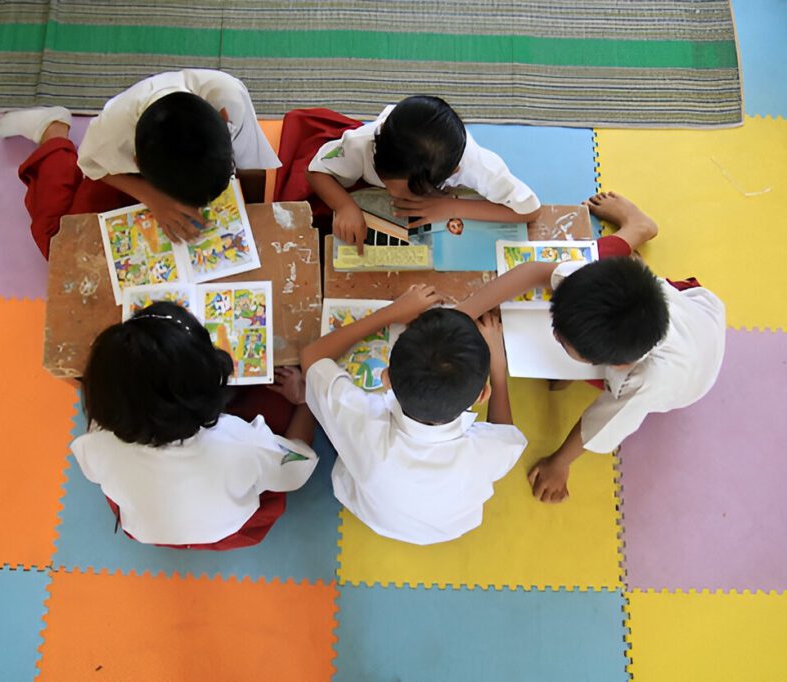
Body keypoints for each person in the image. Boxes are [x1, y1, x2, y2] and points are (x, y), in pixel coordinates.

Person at [458, 192, 726, 503]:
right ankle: (637, 229)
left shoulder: (642, 382)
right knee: (592, 257)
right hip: (690, 304)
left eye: (562, 339)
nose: (554, 333)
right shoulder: (587, 282)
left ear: (618, 364)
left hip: (691, 374)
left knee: (596, 272)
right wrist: (463, 311)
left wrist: (559, 464)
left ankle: (635, 234)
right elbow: (533, 271)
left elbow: (598, 427)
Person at [72, 302, 318, 549]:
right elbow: (297, 467)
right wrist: (306, 400)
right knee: (277, 403)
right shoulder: (241, 443)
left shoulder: (94, 443)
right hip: (229, 529)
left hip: (147, 529)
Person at [300, 286, 528, 544]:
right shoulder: (490, 451)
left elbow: (311, 356)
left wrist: (392, 313)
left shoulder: (364, 423)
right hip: (448, 528)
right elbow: (506, 434)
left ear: (386, 379)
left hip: (371, 511)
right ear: (482, 395)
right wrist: (498, 367)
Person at [0, 69, 279, 258]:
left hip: (173, 173)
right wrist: (153, 199)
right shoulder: (111, 134)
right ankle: (52, 131)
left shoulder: (228, 96)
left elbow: (252, 168)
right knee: (61, 247)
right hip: (122, 178)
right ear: (136, 162)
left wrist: (255, 220)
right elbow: (93, 167)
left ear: (224, 117)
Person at [304, 95, 543, 252]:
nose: (397, 198)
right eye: (390, 189)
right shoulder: (362, 143)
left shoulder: (475, 164)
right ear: (376, 159)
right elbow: (316, 171)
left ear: (452, 173)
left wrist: (452, 208)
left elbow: (530, 210)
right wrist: (345, 206)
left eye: (413, 194)